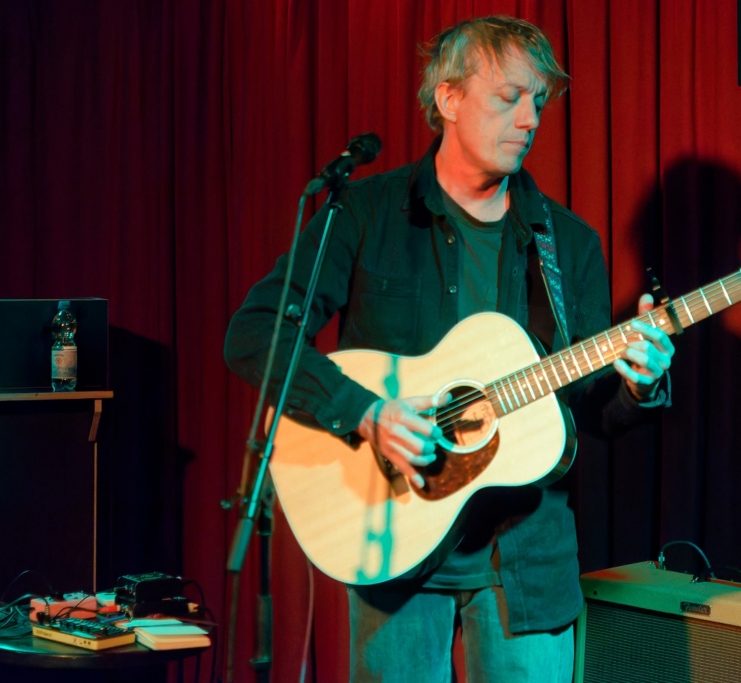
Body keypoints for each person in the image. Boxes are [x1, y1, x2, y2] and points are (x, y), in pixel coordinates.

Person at [224, 15, 674, 682]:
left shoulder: (567, 245)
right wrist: (366, 411)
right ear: (448, 98)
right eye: (508, 97)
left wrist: (639, 383)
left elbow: (587, 412)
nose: (529, 118)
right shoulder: (365, 212)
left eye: (538, 102)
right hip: (394, 540)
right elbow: (255, 332)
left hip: (525, 556)